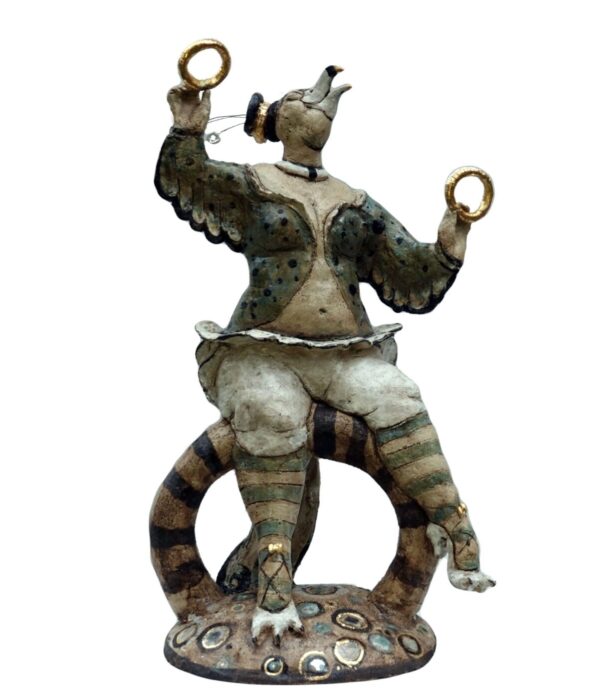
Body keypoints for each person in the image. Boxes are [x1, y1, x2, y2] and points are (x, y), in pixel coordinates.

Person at [155, 66, 494, 643]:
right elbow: (190, 177)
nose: (319, 99)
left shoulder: (354, 202)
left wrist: (448, 243)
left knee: (399, 394)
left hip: (344, 355)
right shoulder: (254, 183)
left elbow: (406, 267)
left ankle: (453, 523)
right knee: (269, 410)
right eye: (301, 98)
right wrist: (186, 129)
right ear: (276, 121)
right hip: (263, 351)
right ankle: (273, 581)